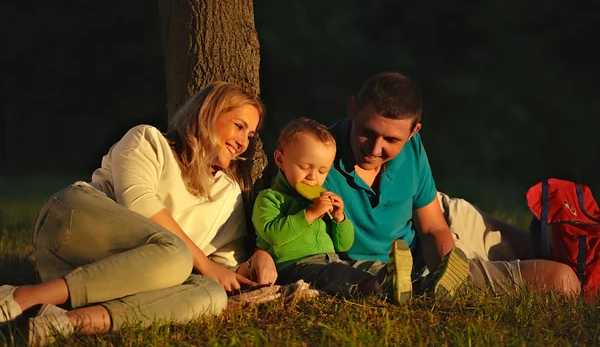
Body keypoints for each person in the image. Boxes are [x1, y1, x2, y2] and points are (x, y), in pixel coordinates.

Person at [0, 82, 277, 345]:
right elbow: (139, 202)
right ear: (208, 114)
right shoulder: (148, 139)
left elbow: (221, 268)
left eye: (250, 135)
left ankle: (65, 322)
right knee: (178, 255)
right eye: (239, 127)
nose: (243, 142)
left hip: (118, 278)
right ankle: (20, 298)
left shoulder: (228, 193)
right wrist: (202, 263)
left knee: (212, 294)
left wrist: (257, 259)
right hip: (71, 229)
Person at [323, 71, 580, 296]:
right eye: (367, 133)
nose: (375, 150)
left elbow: (433, 227)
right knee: (563, 280)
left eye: (391, 140)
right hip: (405, 270)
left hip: (441, 228)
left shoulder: (412, 147)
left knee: (553, 251)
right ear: (352, 109)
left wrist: (448, 272)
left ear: (413, 132)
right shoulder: (317, 157)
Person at [252, 117, 469, 304]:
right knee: (341, 276)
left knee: (373, 267)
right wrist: (308, 216)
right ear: (281, 160)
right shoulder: (270, 199)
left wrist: (339, 219)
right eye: (305, 167)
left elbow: (344, 244)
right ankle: (383, 290)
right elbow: (273, 235)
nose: (312, 177)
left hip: (331, 259)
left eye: (321, 171)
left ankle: (428, 285)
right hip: (295, 267)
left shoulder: (317, 200)